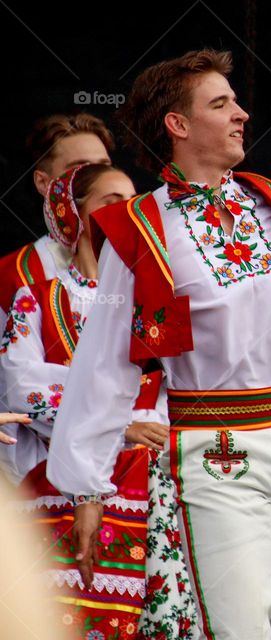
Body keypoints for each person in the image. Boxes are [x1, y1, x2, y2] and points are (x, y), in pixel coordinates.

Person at [46, 49, 271, 639]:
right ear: (178, 125)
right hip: (219, 450)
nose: (242, 114)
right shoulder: (140, 229)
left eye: (235, 101)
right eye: (221, 104)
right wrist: (87, 482)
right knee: (240, 628)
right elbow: (106, 360)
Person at [1, 163, 200, 638]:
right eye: (111, 202)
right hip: (59, 486)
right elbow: (21, 387)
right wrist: (120, 425)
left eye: (132, 202)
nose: (125, 211)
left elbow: (185, 388)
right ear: (71, 215)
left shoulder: (155, 304)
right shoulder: (37, 299)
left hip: (153, 490)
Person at [0, 113, 114, 483]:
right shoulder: (12, 277)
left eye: (104, 167)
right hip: (31, 471)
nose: (97, 180)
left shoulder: (141, 267)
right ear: (43, 182)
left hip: (130, 468)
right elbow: (15, 383)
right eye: (80, 169)